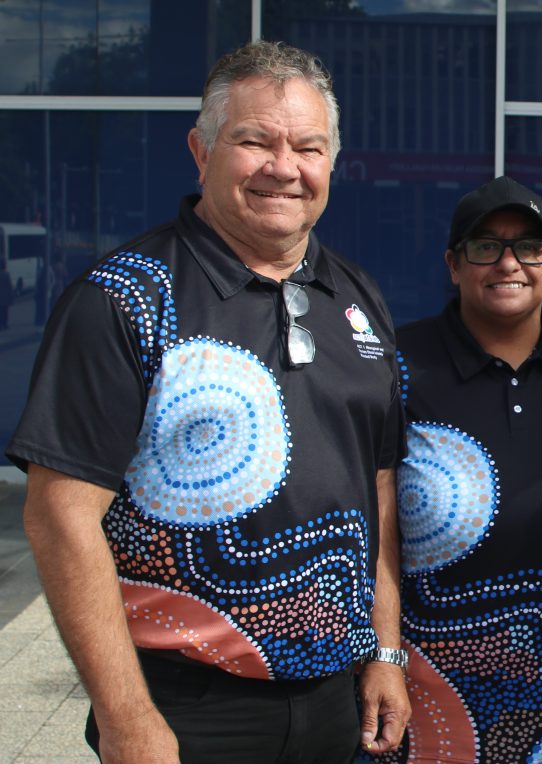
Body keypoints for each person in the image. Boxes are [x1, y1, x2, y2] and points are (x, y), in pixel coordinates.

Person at [6, 40, 409, 763]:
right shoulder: (124, 300)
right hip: (186, 707)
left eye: (308, 147)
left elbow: (375, 486)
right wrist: (126, 715)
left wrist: (385, 651)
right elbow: (60, 517)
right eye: (254, 140)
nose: (284, 168)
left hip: (334, 703)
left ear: (332, 163)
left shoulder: (356, 296)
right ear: (201, 151)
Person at [385, 175, 542, 764]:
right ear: (454, 263)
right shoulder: (398, 367)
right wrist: (383, 658)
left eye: (529, 246)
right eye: (485, 245)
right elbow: (374, 532)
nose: (508, 262)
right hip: (433, 703)